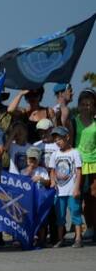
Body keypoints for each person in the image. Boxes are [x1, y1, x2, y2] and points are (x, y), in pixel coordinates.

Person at [60, 88, 96, 241]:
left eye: (89, 104)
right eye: (83, 104)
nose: (86, 107)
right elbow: (66, 129)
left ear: (94, 106)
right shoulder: (74, 120)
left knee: (93, 197)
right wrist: (63, 104)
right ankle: (78, 229)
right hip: (78, 164)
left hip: (94, 162)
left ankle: (92, 227)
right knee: (77, 197)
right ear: (79, 105)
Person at [48, 125, 84, 248]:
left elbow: (79, 171)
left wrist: (77, 188)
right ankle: (60, 239)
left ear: (67, 137)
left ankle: (78, 238)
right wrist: (53, 182)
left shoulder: (75, 153)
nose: (57, 142)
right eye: (55, 140)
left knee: (75, 212)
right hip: (59, 191)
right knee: (60, 215)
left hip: (71, 189)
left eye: (60, 139)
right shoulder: (55, 154)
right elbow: (52, 171)